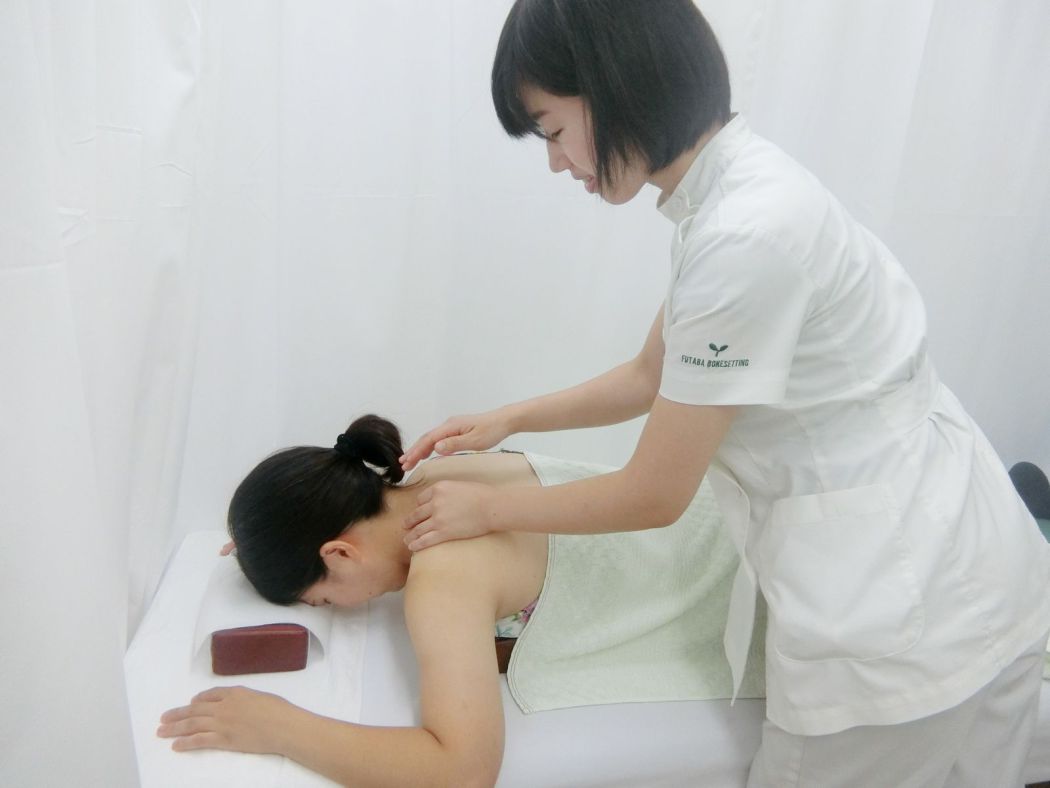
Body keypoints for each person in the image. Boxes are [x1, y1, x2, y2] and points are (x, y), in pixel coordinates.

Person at [397, 1, 1050, 786]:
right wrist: (506, 420)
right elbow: (650, 375)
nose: (556, 163)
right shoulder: (729, 199)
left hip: (905, 612)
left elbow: (654, 494)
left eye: (553, 130)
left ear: (617, 83)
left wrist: (487, 508)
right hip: (969, 563)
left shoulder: (746, 234)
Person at [156, 414, 753, 786]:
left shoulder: (441, 575)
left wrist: (280, 726)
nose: (339, 607)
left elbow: (463, 770)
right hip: (737, 515)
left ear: (339, 552)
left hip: (753, 594)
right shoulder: (436, 475)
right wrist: (268, 535)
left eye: (323, 600)